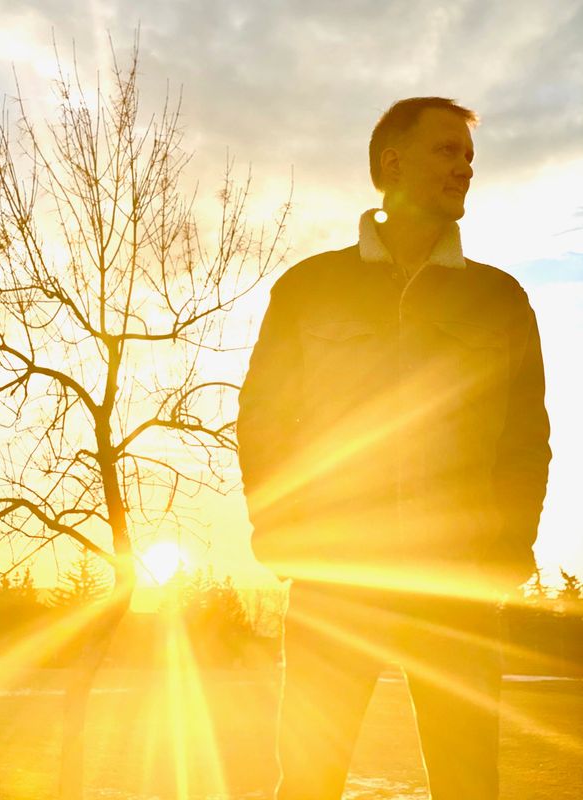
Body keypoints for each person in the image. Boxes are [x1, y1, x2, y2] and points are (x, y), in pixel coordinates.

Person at [236, 97, 551, 800]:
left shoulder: (501, 300)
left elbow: (526, 440)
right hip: (335, 579)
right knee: (308, 783)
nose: (465, 169)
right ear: (392, 162)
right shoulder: (307, 289)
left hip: (455, 588)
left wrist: (505, 552)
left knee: (472, 785)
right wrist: (280, 530)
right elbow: (264, 420)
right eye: (447, 151)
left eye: (469, 157)